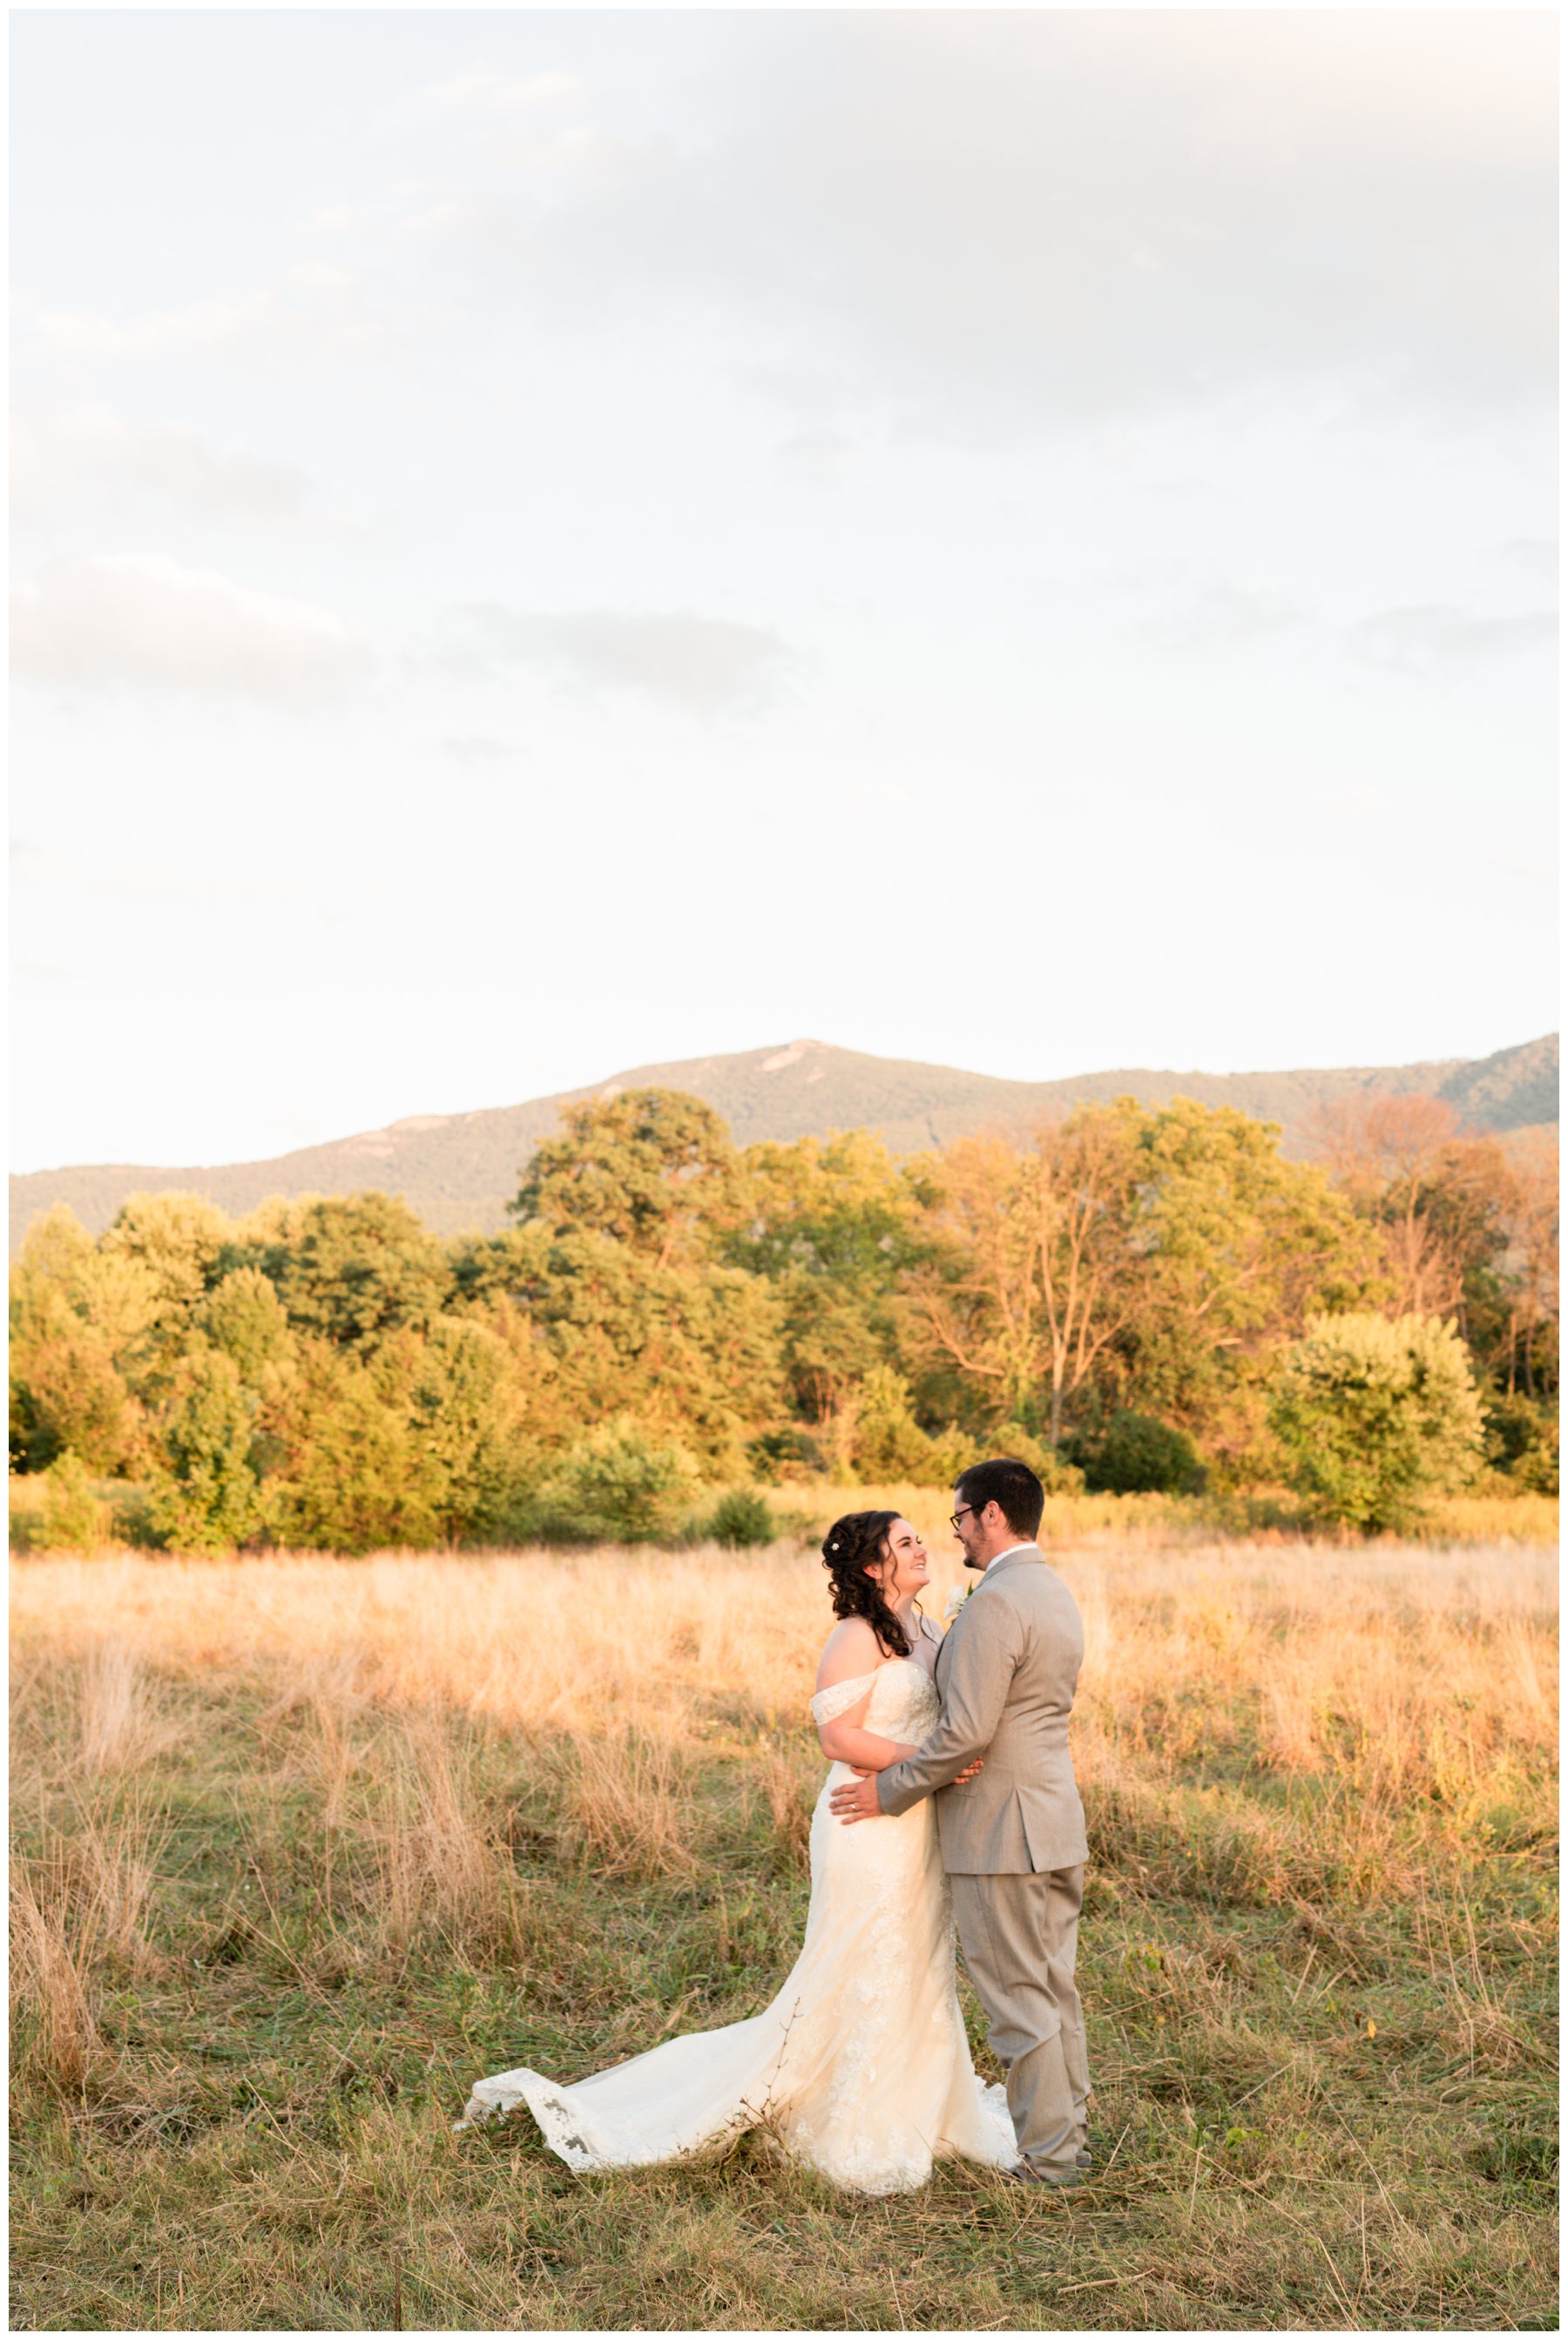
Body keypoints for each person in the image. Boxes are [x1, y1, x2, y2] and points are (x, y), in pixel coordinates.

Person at [456, 1509, 1017, 2194]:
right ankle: (843, 2112)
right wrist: (929, 1761)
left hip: (914, 1821)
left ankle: (924, 2104)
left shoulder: (928, 1628)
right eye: (906, 1543)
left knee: (920, 1959)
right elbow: (839, 1740)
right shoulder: (855, 1635)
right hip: (863, 1825)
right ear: (873, 1567)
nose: (924, 1546)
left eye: (920, 1537)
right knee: (862, 1960)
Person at [829, 1457, 1092, 2187]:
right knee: (1053, 1990)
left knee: (1017, 2003)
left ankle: (1050, 2162)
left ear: (991, 1516)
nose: (955, 1538)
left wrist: (890, 1792)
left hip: (1000, 1832)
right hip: (1054, 1819)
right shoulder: (1052, 1591)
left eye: (959, 1521)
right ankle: (1067, 2137)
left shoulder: (998, 1602)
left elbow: (968, 1732)